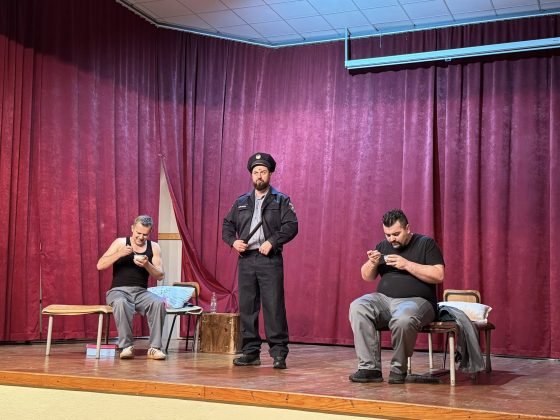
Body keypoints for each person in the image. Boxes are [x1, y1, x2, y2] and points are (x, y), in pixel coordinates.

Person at [348, 209, 444, 384]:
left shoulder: (426, 244)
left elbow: (438, 275)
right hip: (384, 300)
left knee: (403, 318)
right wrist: (372, 263)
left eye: (396, 234)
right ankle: (369, 369)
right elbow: (366, 276)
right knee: (358, 306)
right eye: (388, 235)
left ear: (407, 228)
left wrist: (406, 264)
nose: (392, 239)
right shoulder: (383, 246)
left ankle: (398, 370)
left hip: (417, 301)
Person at [222, 152, 298, 369]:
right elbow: (227, 226)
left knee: (274, 306)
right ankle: (250, 352)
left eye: (263, 171)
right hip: (246, 259)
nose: (259, 176)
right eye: (255, 172)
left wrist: (272, 241)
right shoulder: (241, 202)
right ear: (251, 175)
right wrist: (233, 242)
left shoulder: (280, 200)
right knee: (247, 307)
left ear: (270, 174)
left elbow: (291, 226)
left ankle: (279, 353)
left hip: (269, 259)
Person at [97, 215, 167, 360]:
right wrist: (119, 253)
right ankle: (126, 346)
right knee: (121, 303)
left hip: (141, 292)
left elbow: (160, 275)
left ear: (150, 232)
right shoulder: (120, 243)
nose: (141, 237)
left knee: (158, 303)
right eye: (138, 233)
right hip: (118, 291)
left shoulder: (154, 247)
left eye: (145, 234)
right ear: (132, 229)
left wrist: (147, 265)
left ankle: (154, 348)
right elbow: (100, 265)